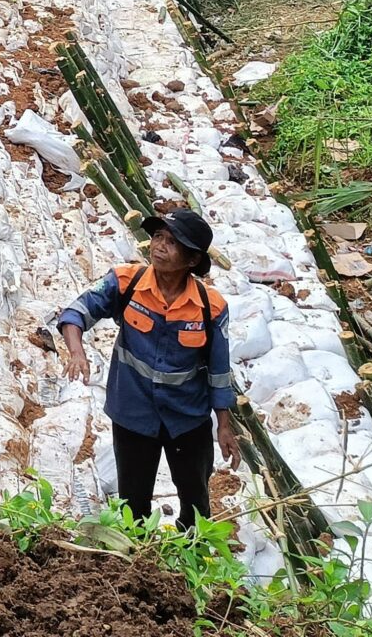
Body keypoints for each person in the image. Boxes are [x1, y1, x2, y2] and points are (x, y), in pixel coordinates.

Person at [55, 209, 238, 530]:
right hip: (133, 415)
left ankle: (193, 551)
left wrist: (224, 425)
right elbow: (76, 312)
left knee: (196, 502)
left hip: (187, 419)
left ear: (193, 259)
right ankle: (138, 554)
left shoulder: (210, 306)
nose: (159, 246)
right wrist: (76, 351)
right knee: (133, 503)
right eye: (157, 236)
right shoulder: (126, 282)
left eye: (172, 242)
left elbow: (219, 371)